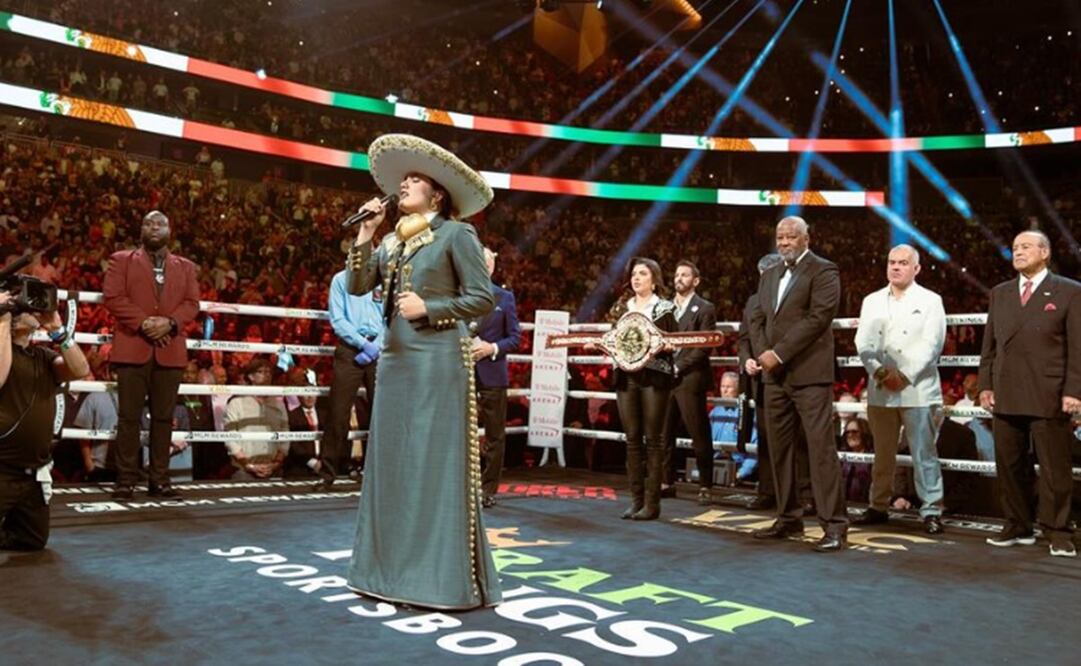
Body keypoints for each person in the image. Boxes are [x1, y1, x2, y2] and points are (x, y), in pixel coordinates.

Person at [343, 133, 501, 609]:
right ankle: (385, 572)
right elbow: (356, 284)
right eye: (404, 179)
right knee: (391, 463)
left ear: (437, 194)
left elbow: (483, 297)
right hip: (396, 360)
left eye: (414, 179)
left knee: (432, 465)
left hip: (436, 361)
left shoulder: (458, 234)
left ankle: (435, 579)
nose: (405, 185)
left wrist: (429, 307)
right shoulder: (393, 239)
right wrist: (366, 235)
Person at [978, 230, 1081, 557]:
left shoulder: (1069, 291)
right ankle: (1017, 524)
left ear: (1045, 252)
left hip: (1049, 391)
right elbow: (989, 345)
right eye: (1015, 247)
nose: (1018, 252)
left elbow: (1078, 347)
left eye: (1025, 247)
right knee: (1009, 465)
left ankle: (1059, 530)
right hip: (1006, 391)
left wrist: (1074, 390)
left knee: (1054, 468)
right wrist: (985, 384)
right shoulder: (1000, 293)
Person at [749, 216, 848, 552]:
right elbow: (758, 317)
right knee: (779, 450)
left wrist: (779, 353)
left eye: (792, 236)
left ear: (807, 238)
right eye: (780, 237)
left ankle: (834, 525)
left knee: (820, 451)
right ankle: (789, 517)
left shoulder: (824, 270)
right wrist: (764, 353)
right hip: (774, 376)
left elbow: (819, 318)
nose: (785, 242)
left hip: (809, 374)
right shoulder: (771, 273)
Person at [103, 210, 200, 499]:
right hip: (133, 347)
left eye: (160, 223)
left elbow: (192, 303)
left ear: (170, 230)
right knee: (128, 418)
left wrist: (169, 323)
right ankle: (125, 480)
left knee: (163, 418)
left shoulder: (186, 267)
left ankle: (159, 479)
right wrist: (145, 322)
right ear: (141, 229)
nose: (154, 227)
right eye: (148, 222)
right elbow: (113, 297)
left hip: (169, 350)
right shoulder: (121, 260)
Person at [853, 244, 948, 535]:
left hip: (917, 388)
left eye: (903, 263)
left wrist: (903, 375)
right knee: (882, 453)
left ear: (916, 268)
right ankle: (878, 505)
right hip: (881, 387)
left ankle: (931, 509)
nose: (896, 267)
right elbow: (863, 343)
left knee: (924, 453)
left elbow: (933, 344)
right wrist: (881, 372)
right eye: (892, 262)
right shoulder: (871, 300)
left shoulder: (931, 300)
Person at [0, 294, 90, 550]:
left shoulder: (42, 357)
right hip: (1, 467)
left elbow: (80, 369)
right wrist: (3, 317)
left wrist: (58, 331)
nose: (34, 309)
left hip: (31, 473)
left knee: (33, 540)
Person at [739, 253, 813, 512]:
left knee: (801, 440)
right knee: (767, 439)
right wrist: (748, 360)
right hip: (762, 379)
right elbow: (745, 338)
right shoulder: (752, 301)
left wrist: (776, 357)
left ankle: (805, 494)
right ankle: (768, 491)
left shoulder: (796, 296)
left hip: (794, 373)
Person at [607, 258, 677, 521]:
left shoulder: (664, 308)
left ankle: (652, 503)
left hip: (654, 376)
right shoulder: (621, 307)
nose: (637, 278)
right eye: (634, 274)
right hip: (626, 376)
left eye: (643, 273)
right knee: (632, 439)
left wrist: (663, 345)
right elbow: (612, 337)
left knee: (654, 440)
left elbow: (674, 343)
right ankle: (635, 501)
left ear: (654, 278)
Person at [314, 267, 384, 490]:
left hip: (381, 349)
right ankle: (328, 474)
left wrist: (377, 345)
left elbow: (391, 317)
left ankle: (379, 474)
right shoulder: (340, 279)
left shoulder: (384, 279)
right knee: (338, 411)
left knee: (382, 413)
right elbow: (338, 319)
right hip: (350, 349)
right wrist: (362, 344)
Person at [660, 260, 717, 505]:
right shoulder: (663, 308)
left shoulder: (705, 308)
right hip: (666, 377)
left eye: (684, 275)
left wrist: (678, 366)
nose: (678, 278)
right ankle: (666, 481)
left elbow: (703, 347)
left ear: (695, 281)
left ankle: (705, 484)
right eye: (676, 274)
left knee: (698, 432)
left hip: (690, 377)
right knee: (664, 432)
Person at [473, 247, 521, 508]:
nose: (485, 264)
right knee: (458, 431)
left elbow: (514, 337)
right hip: (462, 371)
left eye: (489, 260)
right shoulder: (460, 294)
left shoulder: (505, 297)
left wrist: (491, 348)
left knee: (494, 434)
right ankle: (459, 485)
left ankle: (488, 489)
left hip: (492, 371)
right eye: (480, 260)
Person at [223, 358, 289, 480]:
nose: (267, 375)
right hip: (243, 470)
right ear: (251, 377)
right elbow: (230, 438)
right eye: (261, 371)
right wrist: (248, 465)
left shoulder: (278, 404)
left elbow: (285, 435)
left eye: (269, 372)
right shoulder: (236, 403)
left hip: (274, 469)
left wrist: (276, 464)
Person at [708, 371, 758, 483]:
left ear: (738, 389)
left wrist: (741, 473)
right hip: (715, 467)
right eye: (722, 386)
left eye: (729, 387)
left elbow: (755, 448)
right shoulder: (714, 413)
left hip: (739, 471)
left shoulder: (749, 414)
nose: (724, 391)